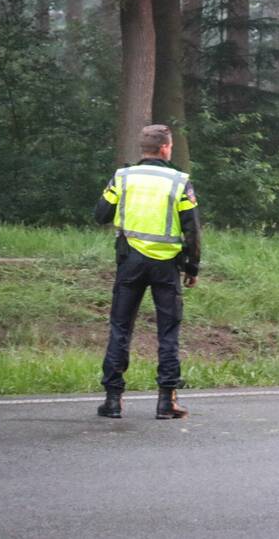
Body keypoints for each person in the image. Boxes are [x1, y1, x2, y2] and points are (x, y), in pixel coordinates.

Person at [94, 124, 201, 419]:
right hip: (167, 266)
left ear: (143, 149)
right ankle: (167, 402)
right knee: (167, 332)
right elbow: (192, 228)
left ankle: (113, 401)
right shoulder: (179, 181)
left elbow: (100, 214)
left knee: (120, 328)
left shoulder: (123, 177)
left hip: (130, 262)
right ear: (166, 148)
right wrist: (192, 266)